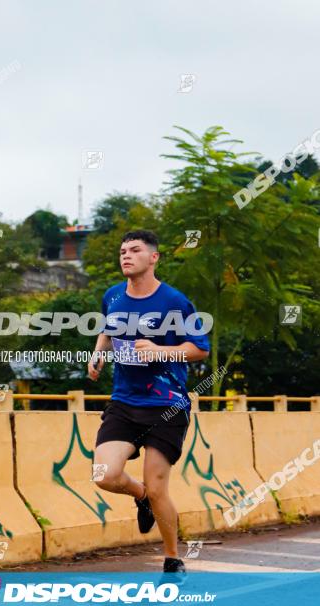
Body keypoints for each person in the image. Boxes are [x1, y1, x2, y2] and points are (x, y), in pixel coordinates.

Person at [88, 230, 210, 582]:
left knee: (160, 488)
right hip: (124, 403)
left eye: (135, 250)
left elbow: (199, 348)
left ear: (153, 258)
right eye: (122, 250)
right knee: (104, 475)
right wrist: (98, 355)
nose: (126, 255)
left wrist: (161, 351)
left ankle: (173, 560)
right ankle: (140, 497)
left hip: (166, 406)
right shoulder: (112, 296)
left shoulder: (174, 301)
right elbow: (107, 330)